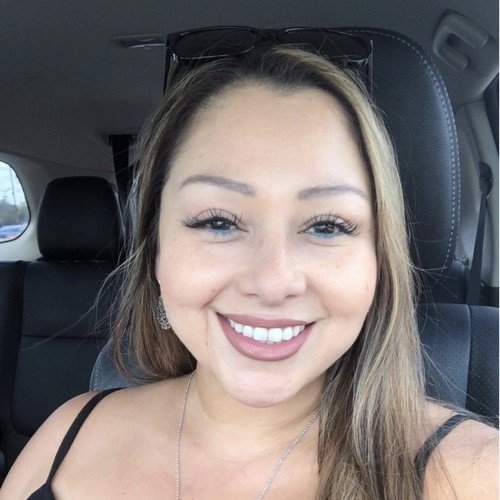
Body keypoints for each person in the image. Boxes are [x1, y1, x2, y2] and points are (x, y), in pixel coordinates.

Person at [1, 38, 497, 500]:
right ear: (156, 252)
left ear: (377, 264)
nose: (273, 282)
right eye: (218, 222)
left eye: (326, 226)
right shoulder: (68, 434)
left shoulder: (472, 473)